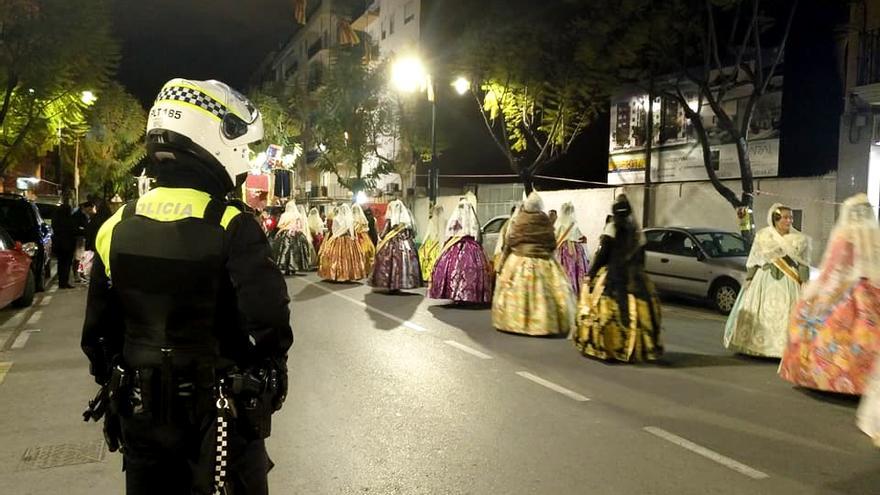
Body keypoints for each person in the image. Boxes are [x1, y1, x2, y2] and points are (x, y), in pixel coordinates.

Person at [80, 78, 292, 495]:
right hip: (218, 419)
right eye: (243, 146)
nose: (245, 157)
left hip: (140, 418)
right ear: (214, 136)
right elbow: (269, 322)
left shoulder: (115, 224)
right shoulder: (232, 225)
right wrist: (269, 375)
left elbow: (97, 336)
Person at [779, 194, 880, 394]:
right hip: (871, 290)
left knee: (816, 323)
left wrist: (813, 294)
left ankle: (830, 376)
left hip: (846, 290)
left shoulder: (844, 235)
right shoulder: (874, 234)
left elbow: (831, 269)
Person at [573, 194, 662, 362]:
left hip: (615, 277)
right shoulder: (637, 232)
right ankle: (638, 349)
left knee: (603, 310)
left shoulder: (611, 229)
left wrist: (591, 274)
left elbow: (602, 255)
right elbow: (642, 260)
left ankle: (612, 347)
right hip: (636, 279)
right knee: (643, 312)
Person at [723, 203, 811, 358]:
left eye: (791, 217)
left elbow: (803, 263)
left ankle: (784, 349)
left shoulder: (799, 239)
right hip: (764, 279)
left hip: (789, 281)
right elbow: (754, 258)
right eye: (785, 217)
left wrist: (804, 282)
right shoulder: (763, 236)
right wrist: (749, 277)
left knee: (787, 313)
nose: (789, 220)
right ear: (775, 219)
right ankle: (758, 346)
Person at [492, 192, 575, 336]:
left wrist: (502, 263)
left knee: (516, 294)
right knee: (546, 295)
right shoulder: (545, 221)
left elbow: (510, 242)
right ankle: (542, 324)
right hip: (543, 261)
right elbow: (552, 243)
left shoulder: (518, 220)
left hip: (518, 260)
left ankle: (516, 322)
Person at [429, 197, 494, 304]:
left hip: (456, 245)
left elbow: (449, 231)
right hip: (471, 246)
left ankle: (455, 293)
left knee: (453, 269)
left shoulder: (455, 217)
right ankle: (470, 295)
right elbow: (477, 234)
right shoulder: (473, 220)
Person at [369, 199, 422, 291]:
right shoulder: (406, 222)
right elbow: (412, 233)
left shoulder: (390, 221)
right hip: (406, 244)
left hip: (391, 244)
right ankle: (403, 282)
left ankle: (391, 283)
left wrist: (380, 236)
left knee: (388, 262)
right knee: (404, 263)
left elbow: (384, 233)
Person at [318, 203, 366, 282]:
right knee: (349, 258)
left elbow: (334, 230)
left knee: (336, 257)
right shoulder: (350, 219)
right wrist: (353, 239)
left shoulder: (336, 218)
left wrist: (334, 237)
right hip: (348, 240)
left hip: (338, 239)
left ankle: (337, 274)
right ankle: (349, 274)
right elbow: (352, 232)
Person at [555, 201, 590, 295]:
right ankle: (578, 293)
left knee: (566, 271)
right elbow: (580, 236)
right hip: (577, 250)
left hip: (563, 250)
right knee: (577, 271)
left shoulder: (560, 223)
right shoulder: (574, 223)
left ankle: (566, 293)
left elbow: (556, 237)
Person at [274, 201, 312, 275]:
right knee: (297, 250)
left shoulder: (284, 215)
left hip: (286, 233)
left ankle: (286, 267)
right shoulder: (298, 215)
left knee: (285, 250)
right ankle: (295, 267)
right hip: (297, 234)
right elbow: (300, 225)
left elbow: (280, 225)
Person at [80, 200, 112, 283]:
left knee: (95, 264)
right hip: (106, 246)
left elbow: (89, 232)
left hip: (94, 245)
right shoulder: (110, 219)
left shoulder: (95, 218)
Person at [52, 203, 78, 289]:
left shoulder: (56, 219)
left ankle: (61, 282)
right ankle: (64, 282)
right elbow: (74, 231)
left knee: (61, 264)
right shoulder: (70, 219)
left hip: (59, 245)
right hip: (68, 245)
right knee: (67, 264)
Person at [418, 205, 445, 283]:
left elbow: (427, 234)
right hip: (436, 243)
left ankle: (427, 276)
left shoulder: (431, 221)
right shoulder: (443, 222)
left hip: (431, 243)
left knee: (428, 257)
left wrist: (424, 245)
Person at [352, 204, 376, 274]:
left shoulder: (359, 219)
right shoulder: (360, 218)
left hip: (359, 236)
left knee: (362, 252)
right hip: (362, 236)